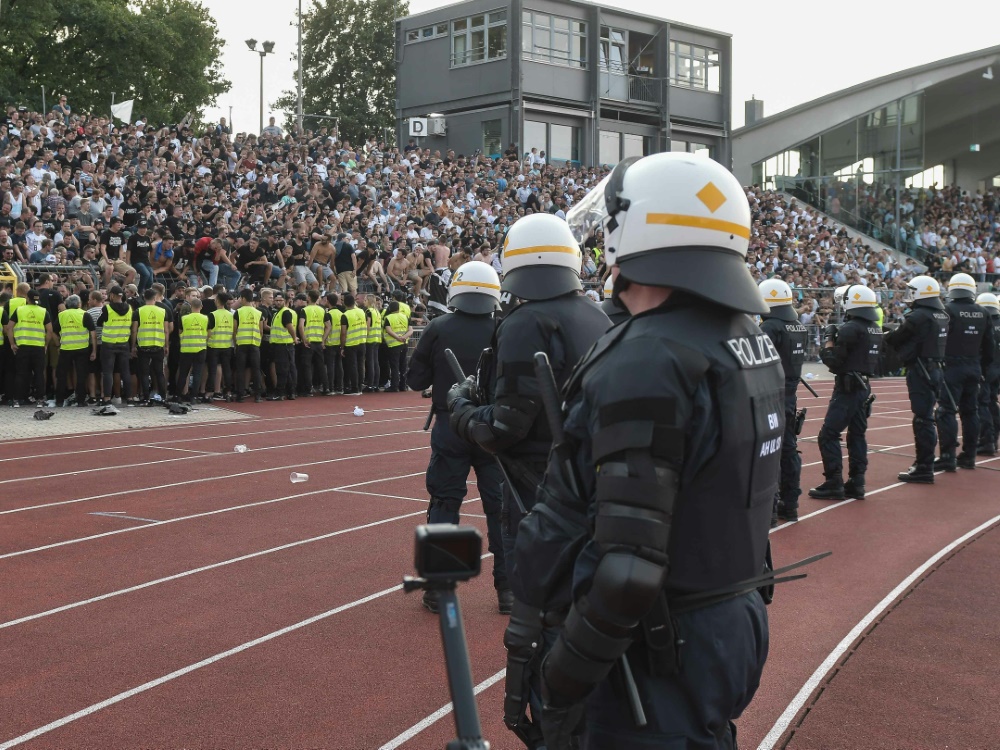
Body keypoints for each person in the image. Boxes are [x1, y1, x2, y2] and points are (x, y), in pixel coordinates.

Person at [512, 152, 782, 749]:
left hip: (654, 646)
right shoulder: (744, 337)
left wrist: (564, 676)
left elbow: (629, 565)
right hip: (723, 618)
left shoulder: (651, 355)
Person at [447, 212, 609, 749]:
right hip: (593, 482)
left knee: (544, 636)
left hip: (541, 488)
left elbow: (506, 427)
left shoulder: (523, 323)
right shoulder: (595, 314)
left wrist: (465, 411)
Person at [407, 261, 509, 612]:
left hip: (451, 425)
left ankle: (438, 588)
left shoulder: (439, 327)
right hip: (492, 426)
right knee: (500, 509)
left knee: (445, 503)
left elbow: (415, 380)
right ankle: (508, 591)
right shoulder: (503, 327)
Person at [809, 285, 883, 500]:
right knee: (857, 434)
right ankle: (857, 482)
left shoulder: (851, 328)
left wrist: (829, 340)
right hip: (863, 385)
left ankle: (834, 482)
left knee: (828, 435)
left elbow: (833, 362)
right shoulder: (874, 327)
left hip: (848, 387)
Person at [883, 275, 950, 483]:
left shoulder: (918, 316)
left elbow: (897, 338)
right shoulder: (941, 314)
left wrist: (886, 335)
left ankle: (924, 467)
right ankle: (926, 464)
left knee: (923, 419)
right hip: (936, 368)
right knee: (928, 417)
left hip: (921, 370)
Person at [933, 273, 994, 470]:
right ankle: (969, 455)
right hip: (974, 367)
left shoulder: (947, 310)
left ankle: (948, 456)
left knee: (946, 411)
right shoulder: (983, 312)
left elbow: (938, 340)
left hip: (951, 367)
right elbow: (989, 346)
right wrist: (983, 369)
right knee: (971, 412)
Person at [759, 278, 808, 522]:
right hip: (791, 392)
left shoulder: (770, 327)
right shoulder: (797, 325)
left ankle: (770, 508)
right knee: (788, 448)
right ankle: (791, 503)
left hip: (771, 393)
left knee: (768, 450)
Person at [4, 289, 53, 406]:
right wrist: (45, 344)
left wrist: (12, 343)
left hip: (22, 346)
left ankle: (17, 400)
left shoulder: (19, 310)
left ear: (27, 298)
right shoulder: (43, 311)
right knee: (39, 374)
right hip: (38, 347)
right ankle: (40, 400)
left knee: (21, 373)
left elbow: (9, 327)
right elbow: (50, 330)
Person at [97, 286, 137, 406]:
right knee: (125, 371)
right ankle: (129, 398)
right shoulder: (129, 308)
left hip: (109, 344)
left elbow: (99, 322)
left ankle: (107, 398)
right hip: (124, 343)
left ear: (112, 296)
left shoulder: (107, 308)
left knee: (108, 372)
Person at [55, 293, 98, 406]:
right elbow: (93, 334)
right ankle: (81, 400)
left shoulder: (61, 315)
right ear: (79, 304)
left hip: (65, 348)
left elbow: (54, 331)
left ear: (67, 304)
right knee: (81, 375)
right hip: (82, 349)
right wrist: (94, 350)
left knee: (62, 375)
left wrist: (57, 344)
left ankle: (59, 400)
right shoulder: (85, 314)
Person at [132, 288, 171, 405]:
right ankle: (163, 396)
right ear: (155, 298)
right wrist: (166, 345)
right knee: (159, 372)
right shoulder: (162, 311)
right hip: (158, 345)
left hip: (143, 346)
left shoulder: (138, 311)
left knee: (144, 373)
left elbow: (134, 330)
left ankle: (146, 398)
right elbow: (166, 331)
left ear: (144, 298)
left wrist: (133, 346)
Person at [975, 292, 1000, 456]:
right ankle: (994, 439)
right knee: (992, 402)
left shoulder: (984, 323)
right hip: (998, 369)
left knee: (982, 404)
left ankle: (987, 441)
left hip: (986, 368)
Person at [175, 296, 209, 404]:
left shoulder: (184, 318)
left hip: (186, 348)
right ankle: (194, 396)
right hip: (200, 348)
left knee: (183, 373)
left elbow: (180, 332)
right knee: (198, 373)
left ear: (191, 307)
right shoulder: (206, 318)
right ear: (201, 307)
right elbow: (209, 334)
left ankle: (178, 395)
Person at [233, 288, 265, 403]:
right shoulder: (258, 313)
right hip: (254, 344)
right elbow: (261, 331)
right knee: (256, 370)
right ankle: (258, 395)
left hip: (241, 344)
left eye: (240, 298)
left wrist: (236, 342)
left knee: (240, 370)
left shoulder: (238, 312)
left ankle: (240, 395)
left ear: (243, 298)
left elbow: (234, 330)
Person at [297, 289, 330, 396]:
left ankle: (308, 389)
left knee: (307, 366)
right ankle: (326, 388)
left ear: (309, 298)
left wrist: (304, 339)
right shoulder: (322, 310)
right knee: (321, 365)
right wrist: (323, 339)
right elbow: (328, 326)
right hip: (318, 342)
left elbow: (301, 326)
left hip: (308, 342)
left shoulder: (304, 310)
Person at [267, 292, 299, 401]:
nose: (277, 302)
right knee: (289, 370)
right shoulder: (282, 312)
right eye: (276, 300)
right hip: (283, 344)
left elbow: (289, 326)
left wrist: (294, 337)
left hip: (283, 344)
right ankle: (291, 392)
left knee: (282, 370)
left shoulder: (284, 313)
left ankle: (280, 393)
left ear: (285, 301)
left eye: (280, 300)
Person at [206, 292, 234, 401]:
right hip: (227, 345)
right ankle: (228, 392)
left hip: (214, 346)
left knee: (212, 370)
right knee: (227, 369)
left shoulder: (212, 315)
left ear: (217, 301)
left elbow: (208, 331)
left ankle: (209, 392)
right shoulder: (231, 315)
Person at [339, 293, 367, 396]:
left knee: (353, 366)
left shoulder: (345, 315)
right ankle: (359, 386)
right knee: (360, 365)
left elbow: (343, 333)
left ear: (344, 303)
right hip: (362, 341)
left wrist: (342, 346)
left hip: (351, 343)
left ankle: (354, 388)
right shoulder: (361, 311)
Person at [382, 300, 411, 391]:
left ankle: (394, 386)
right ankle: (403, 385)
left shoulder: (388, 318)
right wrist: (404, 337)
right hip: (404, 343)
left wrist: (397, 338)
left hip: (393, 345)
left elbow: (388, 330)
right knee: (403, 366)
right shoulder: (405, 317)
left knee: (394, 366)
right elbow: (411, 330)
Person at [364, 293, 383, 392]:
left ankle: (370, 384)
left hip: (370, 338)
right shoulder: (377, 311)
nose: (364, 302)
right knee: (375, 362)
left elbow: (367, 326)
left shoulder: (368, 311)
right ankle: (376, 384)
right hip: (377, 338)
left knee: (370, 362)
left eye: (365, 300)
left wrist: (365, 336)